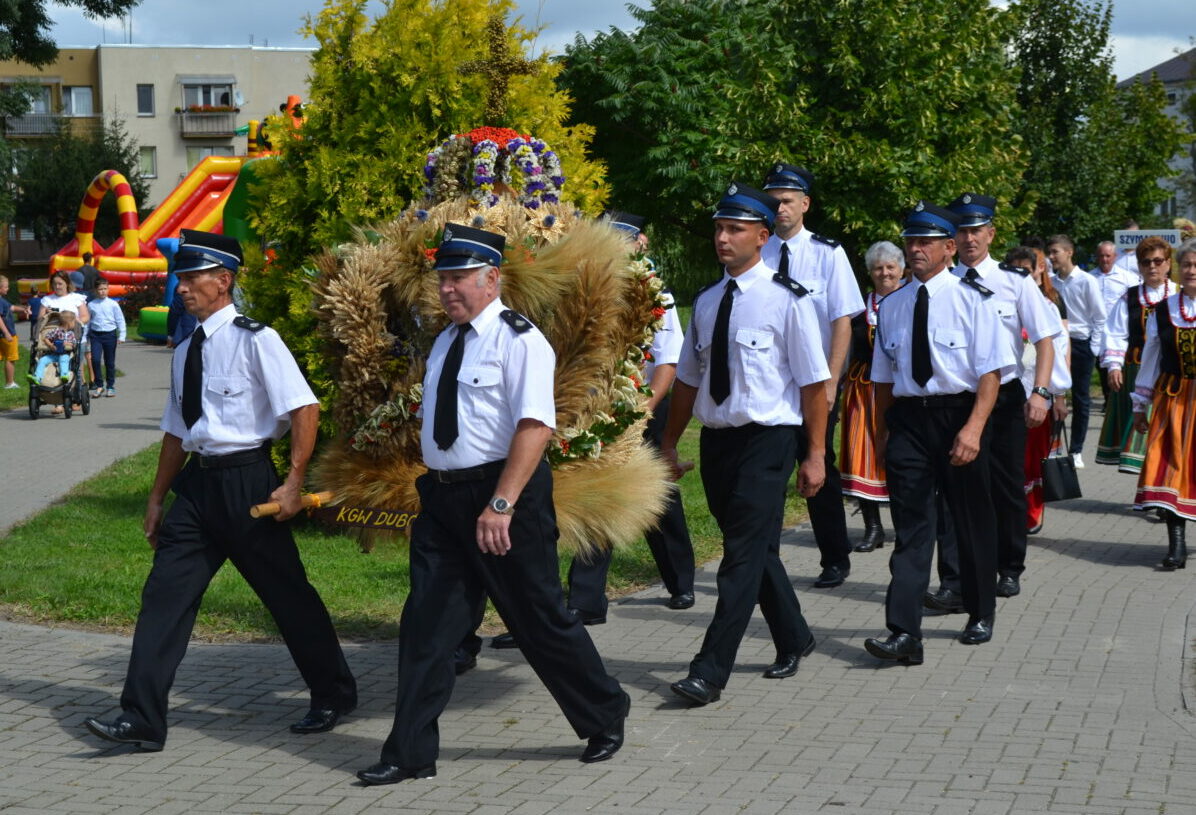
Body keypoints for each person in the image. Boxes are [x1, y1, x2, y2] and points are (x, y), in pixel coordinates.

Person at [356, 223, 629, 786]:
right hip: (443, 500)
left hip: (504, 498)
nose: (448, 290)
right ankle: (410, 753)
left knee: (539, 621)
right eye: (442, 280)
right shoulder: (446, 342)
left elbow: (535, 426)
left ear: (492, 279)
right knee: (427, 628)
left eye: (458, 279)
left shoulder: (519, 339)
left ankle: (604, 713)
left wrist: (501, 504)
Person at [83, 229, 357, 752]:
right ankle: (141, 718)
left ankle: (334, 693)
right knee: (164, 596)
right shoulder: (186, 349)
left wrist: (293, 482)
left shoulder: (258, 339)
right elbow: (176, 431)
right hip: (199, 489)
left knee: (287, 596)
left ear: (223, 281)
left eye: (191, 278)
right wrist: (158, 498)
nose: (181, 288)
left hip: (248, 483)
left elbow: (305, 408)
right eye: (180, 278)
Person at [661, 182, 828, 705]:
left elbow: (813, 385)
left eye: (734, 229)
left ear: (762, 236)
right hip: (719, 444)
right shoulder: (708, 302)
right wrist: (667, 443)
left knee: (738, 558)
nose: (722, 237)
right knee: (753, 552)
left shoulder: (788, 301)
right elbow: (688, 379)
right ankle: (794, 635)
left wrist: (816, 453)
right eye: (718, 228)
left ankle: (709, 672)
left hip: (769, 439)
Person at [862, 201, 1014, 665]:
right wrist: (882, 433)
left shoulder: (973, 299)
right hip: (909, 419)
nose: (915, 249)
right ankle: (905, 633)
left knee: (969, 520)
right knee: (911, 528)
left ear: (949, 248)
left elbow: (990, 373)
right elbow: (884, 378)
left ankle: (979, 610)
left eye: (925, 241)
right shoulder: (892, 305)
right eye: (910, 240)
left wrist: (973, 429)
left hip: (960, 416)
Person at [924, 194, 1058, 606]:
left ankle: (1008, 566)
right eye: (961, 231)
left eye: (975, 231)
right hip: (959, 399)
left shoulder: (1012, 282)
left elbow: (1045, 339)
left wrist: (1041, 392)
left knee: (1004, 486)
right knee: (952, 492)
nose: (968, 239)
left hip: (1004, 397)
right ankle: (954, 580)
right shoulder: (940, 285)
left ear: (990, 234)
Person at [565, 211, 697, 624]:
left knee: (659, 496)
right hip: (596, 408)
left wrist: (645, 408)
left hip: (641, 406)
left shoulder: (656, 292)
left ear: (639, 243)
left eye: (621, 241)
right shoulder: (587, 288)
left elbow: (668, 359)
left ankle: (680, 580)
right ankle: (586, 600)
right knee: (599, 492)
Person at [760, 163, 864, 589]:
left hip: (815, 381)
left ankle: (834, 556)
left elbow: (842, 319)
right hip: (769, 382)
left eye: (786, 200)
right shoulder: (758, 250)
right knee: (768, 469)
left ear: (805, 204)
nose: (779, 208)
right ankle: (763, 561)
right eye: (773, 200)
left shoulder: (827, 252)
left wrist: (832, 381)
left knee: (818, 463)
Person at [1131, 238, 1196, 571]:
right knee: (1169, 466)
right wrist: (1140, 404)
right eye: (1186, 265)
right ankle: (1177, 546)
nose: (1191, 271)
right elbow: (1151, 357)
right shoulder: (1164, 310)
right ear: (1177, 268)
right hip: (1173, 398)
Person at [841, 241, 905, 552]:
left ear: (901, 270)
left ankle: (907, 527)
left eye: (890, 267)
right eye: (878, 268)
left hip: (901, 389)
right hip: (862, 388)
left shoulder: (910, 303)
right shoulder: (859, 309)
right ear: (870, 272)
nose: (884, 273)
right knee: (861, 454)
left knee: (902, 455)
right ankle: (873, 528)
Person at [1007, 246, 1070, 535]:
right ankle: (1008, 511)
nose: (1021, 276)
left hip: (1036, 394)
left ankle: (1032, 512)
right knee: (1011, 458)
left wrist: (1057, 395)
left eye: (1026, 271)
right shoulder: (999, 303)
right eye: (1014, 270)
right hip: (1006, 394)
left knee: (1033, 458)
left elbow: (1057, 350)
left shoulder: (1046, 307)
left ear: (1037, 272)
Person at [1097, 237, 1172, 473]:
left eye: (1158, 261)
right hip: (1136, 370)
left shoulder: (1179, 295)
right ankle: (1150, 481)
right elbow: (1115, 332)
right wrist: (1114, 366)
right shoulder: (1129, 297)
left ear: (1168, 264)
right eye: (1146, 262)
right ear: (1139, 266)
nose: (1152, 267)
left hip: (1171, 373)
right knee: (1142, 428)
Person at [1048, 235, 1104, 468]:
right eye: (1049, 253)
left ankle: (1077, 449)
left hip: (1081, 343)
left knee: (1081, 398)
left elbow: (1100, 317)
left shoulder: (1086, 280)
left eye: (1055, 252)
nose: (1051, 257)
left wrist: (1093, 348)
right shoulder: (1051, 282)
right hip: (1058, 342)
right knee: (1054, 395)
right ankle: (1053, 445)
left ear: (1069, 252)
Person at [1091, 240, 1141, 407]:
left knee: (1117, 366)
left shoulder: (1128, 278)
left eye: (1108, 256)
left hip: (1119, 330)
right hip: (1097, 331)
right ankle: (1107, 398)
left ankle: (1115, 398)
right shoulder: (1090, 278)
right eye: (1101, 256)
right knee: (1101, 366)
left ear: (1115, 256)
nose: (1104, 259)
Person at [87, 278, 126, 397]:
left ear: (108, 289)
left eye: (104, 289)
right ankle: (99, 385)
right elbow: (88, 322)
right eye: (100, 289)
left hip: (110, 335)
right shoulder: (91, 304)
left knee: (109, 362)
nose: (102, 292)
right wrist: (85, 337)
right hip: (96, 335)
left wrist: (122, 335)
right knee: (95, 360)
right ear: (95, 290)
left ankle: (110, 386)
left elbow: (120, 320)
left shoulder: (113, 304)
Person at [29, 311, 78, 385]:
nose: (74, 324)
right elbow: (46, 338)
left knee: (63, 359)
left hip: (64, 354)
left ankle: (64, 375)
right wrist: (51, 345)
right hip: (54, 354)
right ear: (69, 323)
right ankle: (37, 377)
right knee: (42, 360)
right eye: (74, 322)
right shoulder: (56, 331)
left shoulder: (71, 334)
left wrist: (66, 344)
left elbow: (73, 344)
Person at [0, 274, 27, 389]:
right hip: (6, 335)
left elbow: (11, 308)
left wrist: (23, 309)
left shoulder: (2, 300)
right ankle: (10, 383)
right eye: (6, 287)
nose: (8, 289)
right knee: (11, 359)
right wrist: (7, 333)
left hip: (2, 335)